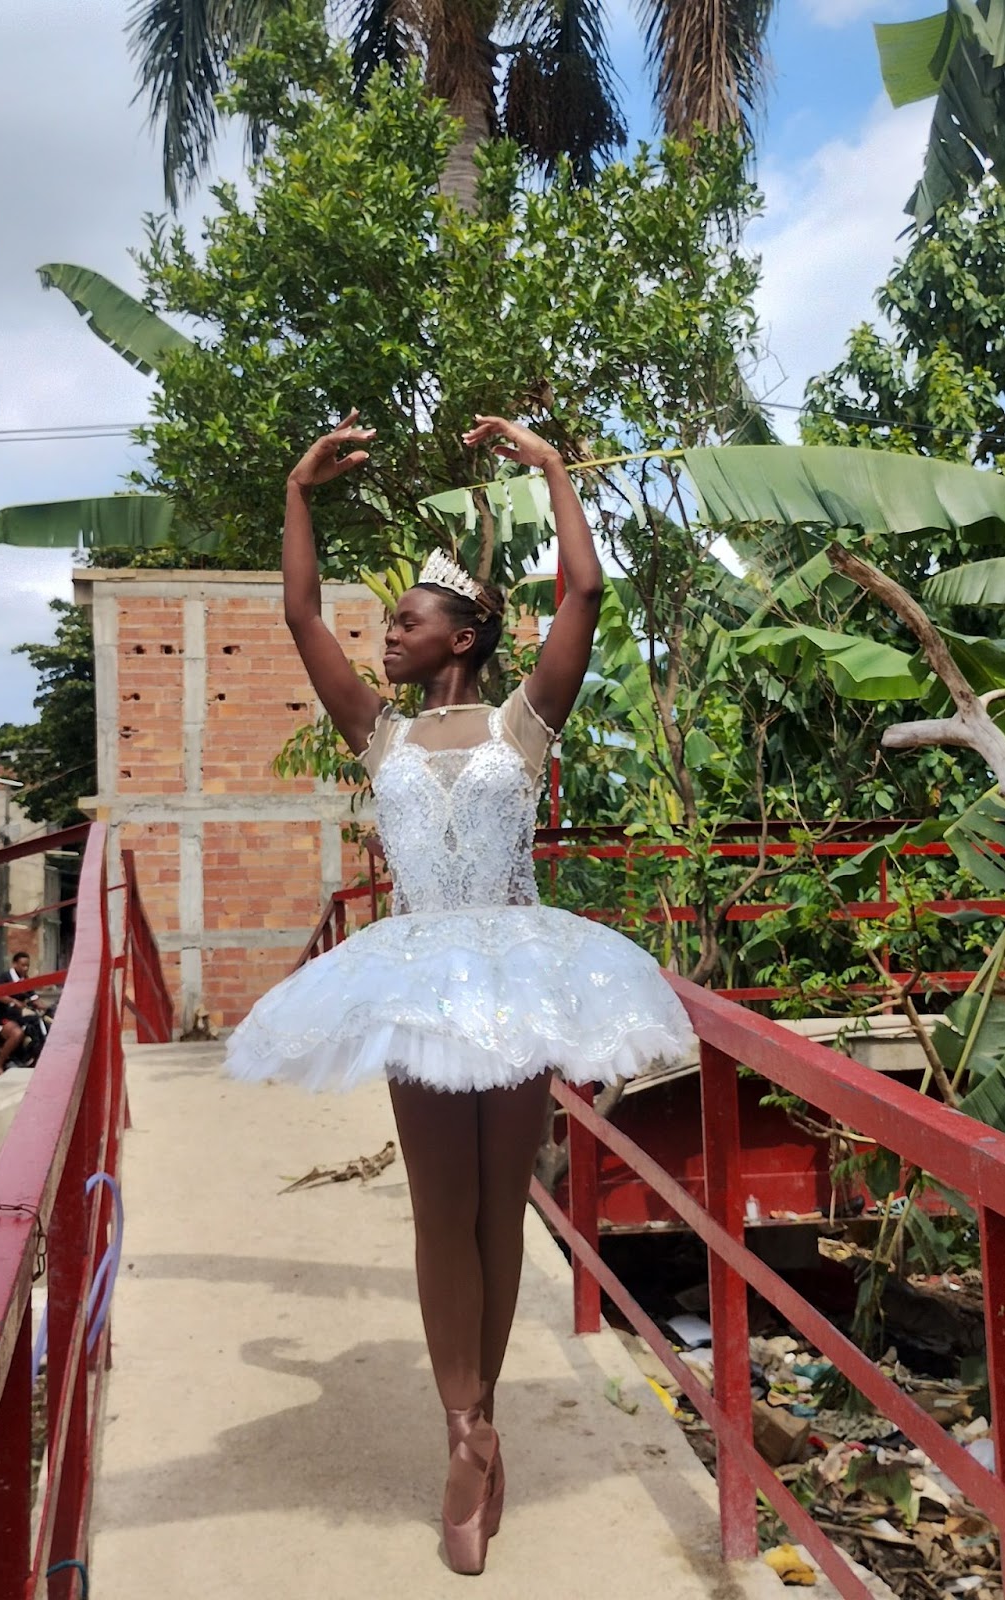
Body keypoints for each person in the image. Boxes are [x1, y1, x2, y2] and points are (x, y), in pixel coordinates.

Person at [225, 409, 694, 1575]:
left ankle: (478, 1425)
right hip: (421, 979)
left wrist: (550, 470)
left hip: (522, 978)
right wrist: (297, 489)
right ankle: (468, 1433)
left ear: (462, 636)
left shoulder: (523, 723)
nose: (385, 634)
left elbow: (583, 595)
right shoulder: (376, 734)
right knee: (443, 1213)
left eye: (406, 620)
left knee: (500, 1213)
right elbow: (295, 614)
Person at [0, 951, 36, 1078]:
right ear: (15, 964)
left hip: (16, 1018)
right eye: (23, 965)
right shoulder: (5, 977)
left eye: (27, 965)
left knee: (33, 1028)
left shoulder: (25, 980)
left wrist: (49, 1007)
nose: (25, 968)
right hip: (1, 1018)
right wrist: (13, 1001)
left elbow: (34, 997)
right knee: (17, 1033)